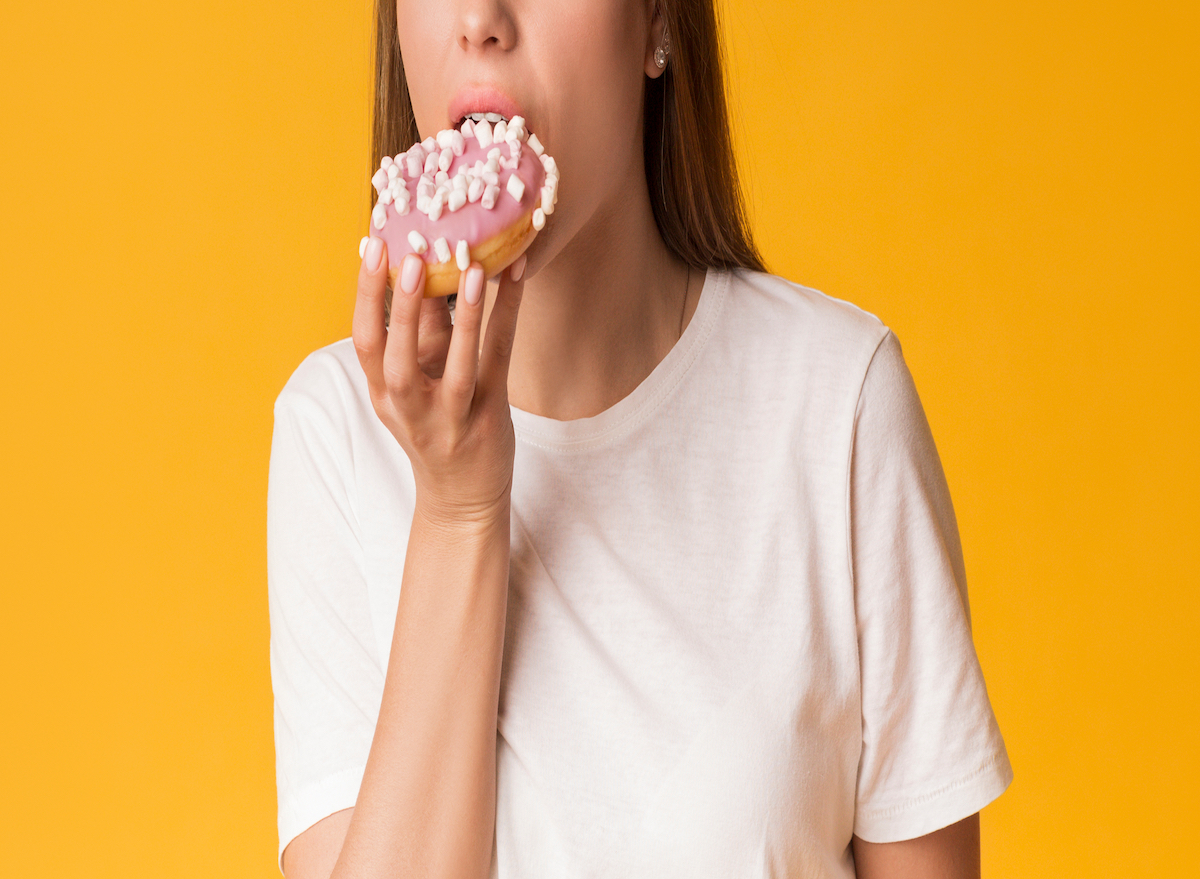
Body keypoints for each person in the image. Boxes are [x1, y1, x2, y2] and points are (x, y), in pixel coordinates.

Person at [266, 0, 1014, 876]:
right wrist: (458, 509)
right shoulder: (336, 431)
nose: (479, 19)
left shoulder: (835, 402)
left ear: (657, 19)